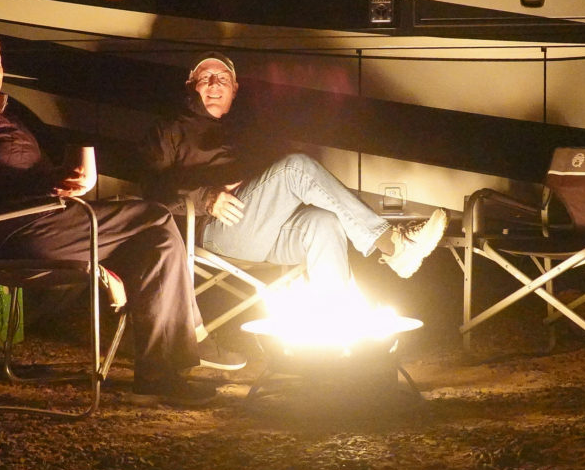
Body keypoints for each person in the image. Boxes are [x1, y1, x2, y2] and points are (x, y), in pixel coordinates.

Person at [0, 29, 243, 406]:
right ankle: (180, 350)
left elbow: (7, 176)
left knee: (153, 242)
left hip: (31, 223)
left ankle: (161, 373)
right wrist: (45, 184)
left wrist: (57, 180)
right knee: (155, 214)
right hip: (13, 232)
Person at [138, 52, 448, 306]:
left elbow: (269, 183)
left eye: (223, 78)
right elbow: (152, 193)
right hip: (212, 231)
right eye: (206, 77)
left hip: (260, 230)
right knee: (296, 167)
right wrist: (207, 198)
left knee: (324, 223)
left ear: (235, 89)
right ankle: (393, 245)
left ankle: (336, 323)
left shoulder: (242, 130)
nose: (214, 84)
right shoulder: (168, 130)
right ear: (191, 85)